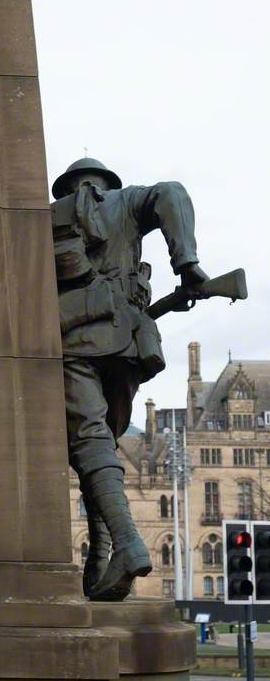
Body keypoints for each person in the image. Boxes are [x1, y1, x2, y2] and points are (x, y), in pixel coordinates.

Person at [51, 157, 207, 602]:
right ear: (106, 182)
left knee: (90, 442)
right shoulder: (128, 201)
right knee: (102, 447)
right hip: (125, 351)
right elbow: (172, 191)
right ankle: (101, 555)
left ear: (66, 187)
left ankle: (126, 544)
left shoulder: (45, 218)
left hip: (72, 343)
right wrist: (187, 263)